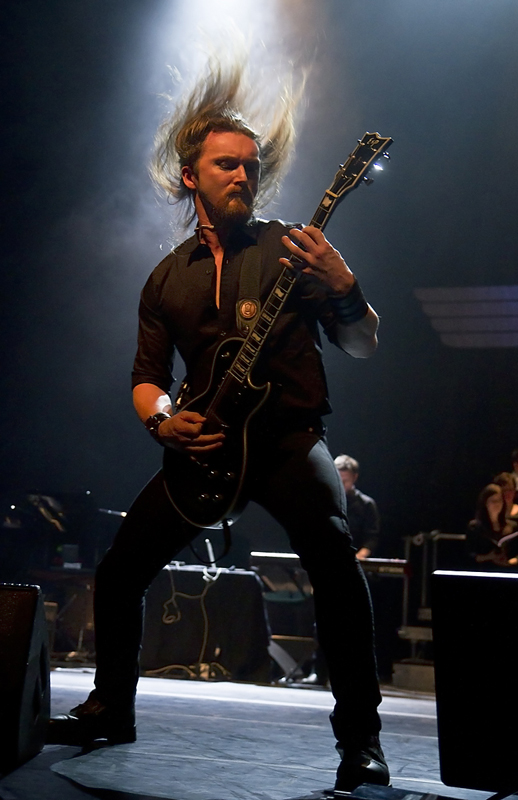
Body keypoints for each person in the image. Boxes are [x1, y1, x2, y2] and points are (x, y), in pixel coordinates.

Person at [48, 57, 389, 792]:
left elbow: (363, 342)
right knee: (119, 569)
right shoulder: (165, 278)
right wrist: (163, 420)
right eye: (226, 165)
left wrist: (344, 285)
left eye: (251, 166)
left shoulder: (295, 248)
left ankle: (362, 739)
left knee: (332, 558)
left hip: (290, 441)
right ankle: (112, 707)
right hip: (204, 449)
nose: (243, 175)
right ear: (189, 177)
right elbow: (146, 378)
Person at [334, 454, 380, 558]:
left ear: (354, 477)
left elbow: (371, 538)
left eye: (345, 481)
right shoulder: (325, 501)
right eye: (337, 480)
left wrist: (358, 557)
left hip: (355, 561)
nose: (341, 485)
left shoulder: (367, 504)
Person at [466, 483, 518, 568]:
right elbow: (470, 555)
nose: (497, 504)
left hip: (507, 572)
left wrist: (511, 562)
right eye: (493, 501)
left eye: (499, 500)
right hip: (483, 572)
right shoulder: (474, 527)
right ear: (485, 503)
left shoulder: (514, 526)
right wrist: (489, 557)